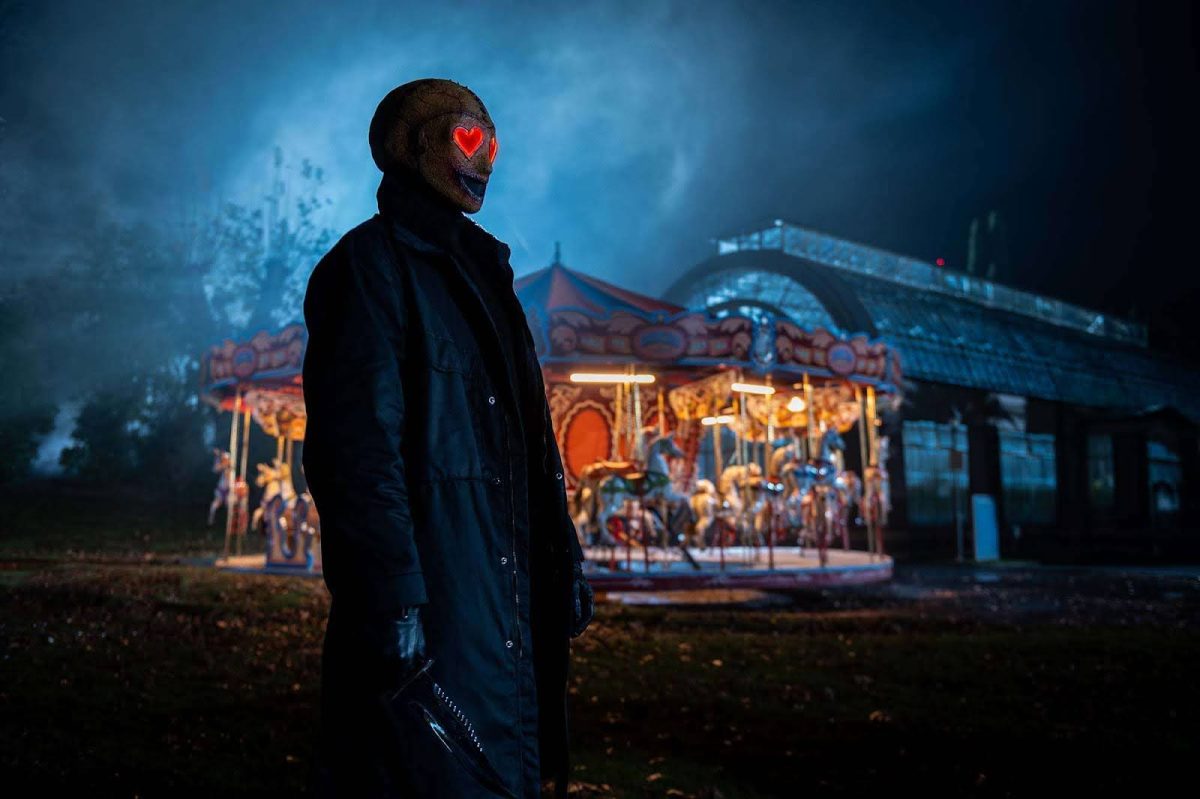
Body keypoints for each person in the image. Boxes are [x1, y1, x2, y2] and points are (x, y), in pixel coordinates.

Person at [302, 78, 594, 799]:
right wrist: (391, 596)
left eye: (491, 143)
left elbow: (529, 446)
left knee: (495, 763)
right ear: (414, 145)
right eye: (468, 138)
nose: (485, 159)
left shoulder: (487, 277)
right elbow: (358, 452)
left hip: (495, 591)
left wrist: (563, 559)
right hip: (434, 593)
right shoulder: (368, 269)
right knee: (428, 767)